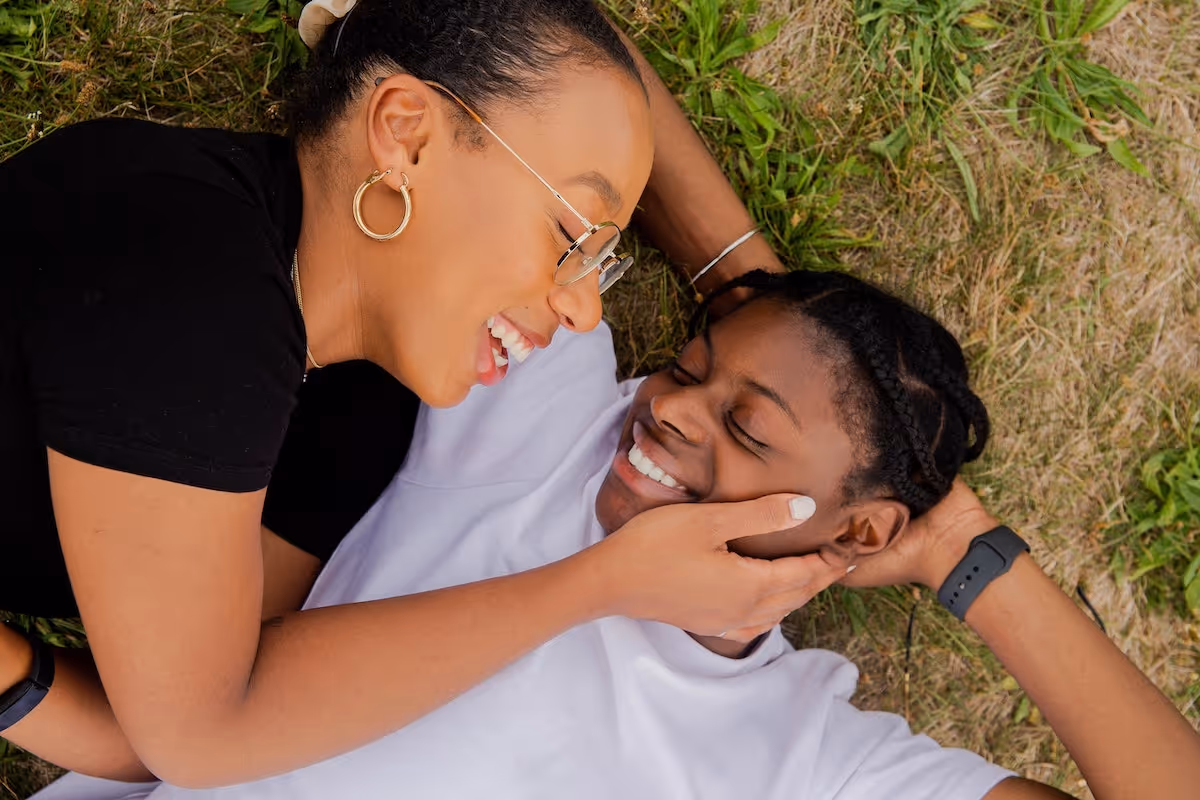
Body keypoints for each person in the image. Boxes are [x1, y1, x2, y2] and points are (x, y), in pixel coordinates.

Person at [0, 0, 840, 786]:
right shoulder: (189, 271)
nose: (585, 310)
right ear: (405, 135)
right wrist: (599, 584)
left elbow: (175, 723)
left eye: (598, 264)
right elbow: (202, 731)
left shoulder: (361, 409)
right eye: (572, 235)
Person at [33, 269, 1200, 800]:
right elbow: (554, 70)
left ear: (861, 528)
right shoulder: (556, 413)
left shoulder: (801, 756)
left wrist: (967, 554)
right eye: (688, 367)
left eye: (746, 427)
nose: (673, 409)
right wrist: (740, 266)